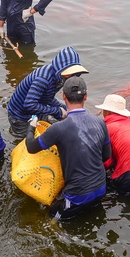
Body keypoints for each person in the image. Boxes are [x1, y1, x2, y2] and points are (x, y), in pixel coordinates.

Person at [25, 76, 111, 220]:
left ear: (63, 96)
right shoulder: (100, 123)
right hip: (101, 189)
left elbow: (31, 148)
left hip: (78, 195)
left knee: (51, 220)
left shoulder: (58, 128)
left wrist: (30, 128)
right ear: (86, 97)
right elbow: (106, 156)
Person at [7, 46, 88, 138]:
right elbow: (29, 105)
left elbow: (47, 97)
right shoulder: (43, 79)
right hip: (19, 115)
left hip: (34, 110)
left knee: (57, 126)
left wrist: (64, 108)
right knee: (26, 140)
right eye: (69, 72)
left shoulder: (62, 78)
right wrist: (57, 111)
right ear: (60, 68)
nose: (72, 76)